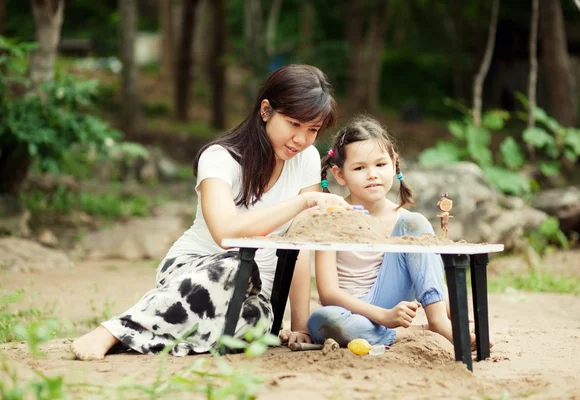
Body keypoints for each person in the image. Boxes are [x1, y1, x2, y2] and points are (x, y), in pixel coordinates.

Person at [72, 64, 350, 360]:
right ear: (266, 110)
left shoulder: (305, 158)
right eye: (294, 124)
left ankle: (145, 336)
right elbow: (226, 234)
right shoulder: (220, 158)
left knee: (260, 319)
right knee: (233, 267)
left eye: (312, 130)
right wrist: (300, 203)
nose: (301, 139)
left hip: (252, 294)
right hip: (197, 273)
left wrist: (299, 326)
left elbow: (299, 247)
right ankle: (113, 331)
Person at [307, 115, 475, 348]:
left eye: (380, 164)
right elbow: (327, 293)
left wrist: (452, 307)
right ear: (340, 175)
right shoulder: (333, 216)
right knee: (321, 320)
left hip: (390, 299)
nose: (372, 174)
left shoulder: (405, 222)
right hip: (351, 311)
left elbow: (427, 273)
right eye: (359, 168)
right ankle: (416, 332)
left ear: (394, 163)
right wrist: (383, 317)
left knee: (415, 223)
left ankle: (438, 323)